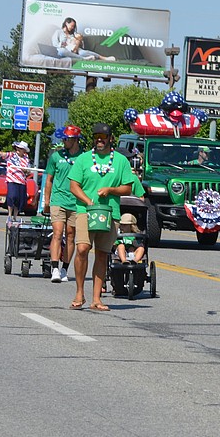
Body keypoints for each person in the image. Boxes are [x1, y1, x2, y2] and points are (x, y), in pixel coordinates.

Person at [68, 122, 144, 311]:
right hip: (86, 211)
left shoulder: (120, 161)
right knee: (83, 249)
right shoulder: (84, 159)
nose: (99, 141)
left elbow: (128, 187)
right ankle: (79, 293)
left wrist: (110, 189)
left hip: (110, 213)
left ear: (110, 139)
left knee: (102, 254)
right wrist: (87, 200)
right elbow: (74, 185)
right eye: (96, 137)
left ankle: (96, 299)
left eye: (103, 137)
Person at [43, 125, 83, 283]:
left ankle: (64, 268)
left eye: (67, 139)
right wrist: (47, 201)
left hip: (75, 202)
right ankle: (54, 269)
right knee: (58, 233)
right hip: (58, 199)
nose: (64, 141)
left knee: (71, 235)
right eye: (64, 138)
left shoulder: (84, 157)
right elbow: (49, 180)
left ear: (75, 140)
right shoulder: (55, 156)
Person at [1, 140, 32, 220]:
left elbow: (29, 170)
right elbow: (2, 154)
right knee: (12, 196)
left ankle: (15, 216)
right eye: (18, 147)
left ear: (24, 150)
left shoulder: (26, 158)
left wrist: (25, 170)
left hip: (22, 181)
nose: (18, 149)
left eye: (21, 148)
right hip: (12, 179)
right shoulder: (12, 155)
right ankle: (9, 215)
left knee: (19, 200)